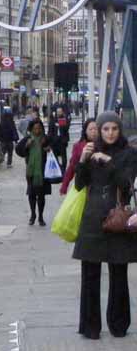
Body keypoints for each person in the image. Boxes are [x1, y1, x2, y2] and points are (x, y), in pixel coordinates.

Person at [72, 111, 137, 339]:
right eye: (105, 129)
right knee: (90, 274)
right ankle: (90, 327)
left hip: (117, 219)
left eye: (114, 129)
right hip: (92, 219)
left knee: (118, 273)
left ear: (120, 131)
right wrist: (83, 160)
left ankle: (118, 325)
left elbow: (126, 185)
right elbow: (79, 184)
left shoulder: (129, 154)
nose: (110, 133)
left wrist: (110, 163)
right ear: (99, 130)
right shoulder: (90, 151)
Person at [15, 118, 54, 226]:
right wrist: (27, 146)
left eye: (39, 128)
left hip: (43, 171)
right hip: (30, 172)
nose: (37, 131)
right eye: (35, 128)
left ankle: (40, 216)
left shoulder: (45, 139)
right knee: (31, 193)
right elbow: (18, 150)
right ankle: (33, 215)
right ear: (31, 129)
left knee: (41, 195)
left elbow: (56, 149)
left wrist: (48, 148)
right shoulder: (28, 139)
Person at [59, 118, 97, 195]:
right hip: (82, 187)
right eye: (90, 129)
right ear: (85, 131)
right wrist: (64, 186)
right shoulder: (78, 146)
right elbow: (71, 167)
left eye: (96, 129)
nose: (93, 131)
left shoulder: (104, 145)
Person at [48, 107, 70, 172]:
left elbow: (66, 129)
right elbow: (50, 131)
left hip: (62, 140)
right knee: (55, 155)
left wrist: (62, 123)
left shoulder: (65, 119)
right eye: (57, 112)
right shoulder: (53, 120)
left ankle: (63, 168)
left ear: (62, 112)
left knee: (63, 156)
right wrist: (49, 140)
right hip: (54, 141)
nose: (58, 113)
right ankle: (58, 167)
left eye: (60, 112)